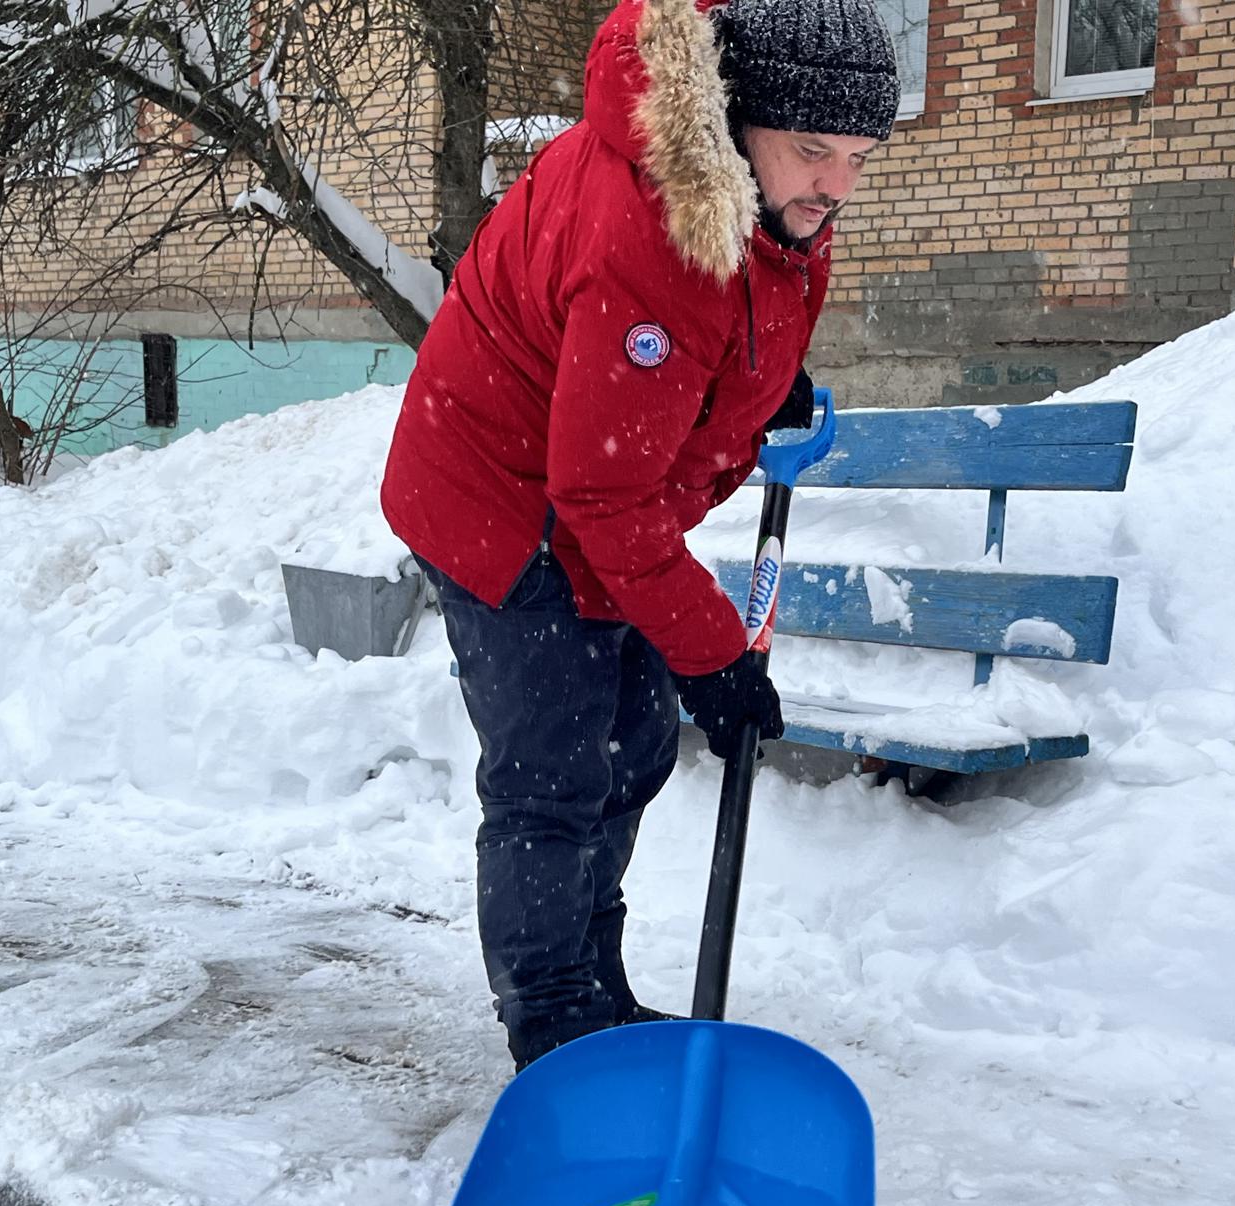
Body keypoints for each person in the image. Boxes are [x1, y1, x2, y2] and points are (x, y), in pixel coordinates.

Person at [379, 0, 900, 1071]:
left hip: (581, 485)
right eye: (814, 151)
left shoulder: (756, 197)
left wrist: (756, 384)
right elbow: (603, 493)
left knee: (636, 742)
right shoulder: (658, 229)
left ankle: (596, 988)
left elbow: (727, 316)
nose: (836, 186)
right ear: (739, 119)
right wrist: (713, 656)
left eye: (857, 159)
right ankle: (554, 1030)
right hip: (497, 495)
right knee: (554, 771)